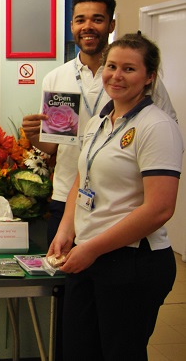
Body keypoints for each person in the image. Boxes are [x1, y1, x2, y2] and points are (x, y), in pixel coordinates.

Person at [48, 33, 182, 360]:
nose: (116, 76)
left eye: (129, 69)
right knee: (79, 351)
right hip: (89, 254)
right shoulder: (101, 120)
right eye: (111, 66)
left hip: (132, 261)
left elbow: (160, 208)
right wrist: (67, 230)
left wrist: (91, 248)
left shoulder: (157, 126)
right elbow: (83, 176)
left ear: (149, 77)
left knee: (120, 353)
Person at [22, 0, 177, 244]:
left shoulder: (135, 78)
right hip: (67, 194)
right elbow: (54, 146)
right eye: (80, 20)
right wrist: (33, 137)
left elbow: (166, 137)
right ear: (71, 25)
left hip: (119, 201)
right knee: (66, 277)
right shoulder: (56, 77)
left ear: (111, 24)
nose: (88, 26)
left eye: (97, 19)